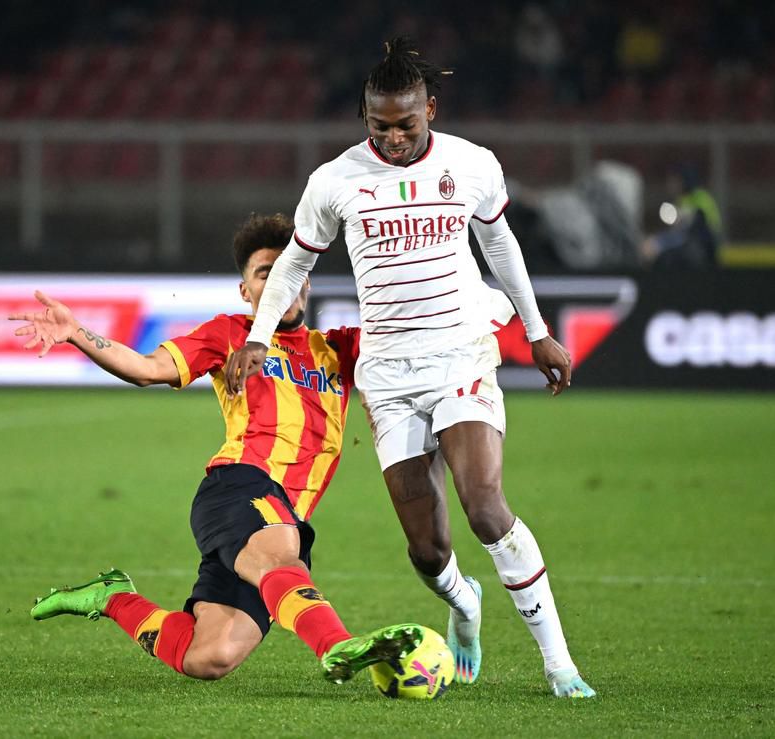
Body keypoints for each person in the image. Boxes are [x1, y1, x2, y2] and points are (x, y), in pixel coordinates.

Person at [225, 37, 595, 698]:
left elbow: (499, 242)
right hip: (389, 373)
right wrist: (258, 334)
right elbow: (295, 264)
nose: (394, 138)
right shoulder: (335, 181)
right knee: (426, 549)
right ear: (365, 119)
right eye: (380, 126)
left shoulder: (473, 164)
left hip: (462, 352)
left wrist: (535, 331)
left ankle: (558, 661)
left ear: (432, 107)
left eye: (407, 124)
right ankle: (463, 605)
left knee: (485, 507)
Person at [9, 213, 425, 684]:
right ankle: (338, 646)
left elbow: (413, 333)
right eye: (266, 272)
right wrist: (77, 333)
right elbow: (146, 368)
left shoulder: (338, 348)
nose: (282, 281)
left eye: (293, 269)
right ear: (246, 292)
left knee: (209, 657)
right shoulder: (230, 335)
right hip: (239, 486)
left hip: (286, 511)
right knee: (280, 556)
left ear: (307, 282)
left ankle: (111, 597)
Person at [641, 163, 722, 269]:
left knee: (667, 256)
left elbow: (688, 229)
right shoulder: (681, 200)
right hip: (690, 246)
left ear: (683, 181)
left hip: (704, 249)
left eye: (674, 181)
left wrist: (658, 243)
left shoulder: (700, 197)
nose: (670, 185)